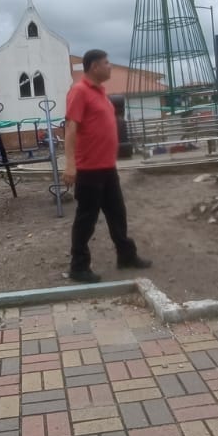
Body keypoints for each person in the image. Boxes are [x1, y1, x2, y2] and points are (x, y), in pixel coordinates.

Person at [62, 49, 150, 284]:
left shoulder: (101, 93)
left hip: (107, 168)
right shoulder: (79, 91)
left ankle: (126, 256)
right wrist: (70, 164)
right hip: (89, 169)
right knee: (86, 220)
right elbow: (71, 128)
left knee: (117, 214)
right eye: (106, 63)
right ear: (94, 67)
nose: (110, 66)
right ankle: (78, 267)